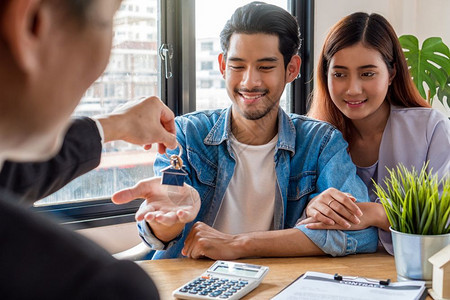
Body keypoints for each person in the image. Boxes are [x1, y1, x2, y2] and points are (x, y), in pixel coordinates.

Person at [112, 2, 378, 260]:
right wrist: (167, 222)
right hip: (191, 285)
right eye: (237, 66)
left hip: (276, 286)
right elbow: (161, 227)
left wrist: (240, 244)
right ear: (222, 65)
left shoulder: (320, 143)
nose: (250, 82)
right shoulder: (185, 135)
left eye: (265, 66)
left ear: (291, 69)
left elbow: (363, 234)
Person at [0, 0, 177, 298]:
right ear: (32, 23)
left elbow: (11, 176)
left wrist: (114, 126)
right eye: (109, 22)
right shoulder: (96, 287)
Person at [305, 12, 450, 255]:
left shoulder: (431, 128)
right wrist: (312, 207)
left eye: (367, 74)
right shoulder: (316, 137)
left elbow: (444, 215)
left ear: (391, 73)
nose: (352, 89)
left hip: (414, 272)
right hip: (335, 272)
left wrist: (377, 213)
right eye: (339, 74)